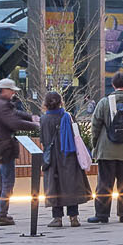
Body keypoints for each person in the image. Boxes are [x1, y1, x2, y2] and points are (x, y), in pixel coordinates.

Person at [88, 70, 123, 224]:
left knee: (104, 183)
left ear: (113, 85)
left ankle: (102, 215)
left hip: (106, 150)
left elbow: (95, 126)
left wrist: (95, 145)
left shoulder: (104, 102)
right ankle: (122, 214)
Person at [0, 78, 37, 227]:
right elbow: (14, 122)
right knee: (8, 182)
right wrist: (35, 125)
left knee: (1, 180)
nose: (13, 93)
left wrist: (30, 117)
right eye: (12, 90)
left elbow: (15, 113)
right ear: (4, 90)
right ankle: (2, 215)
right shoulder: (1, 105)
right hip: (5, 147)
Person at [40, 89, 90, 227]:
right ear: (61, 102)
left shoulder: (44, 119)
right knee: (71, 186)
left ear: (45, 104)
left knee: (54, 187)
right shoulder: (69, 117)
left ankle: (57, 218)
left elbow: (43, 140)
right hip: (70, 156)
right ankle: (74, 217)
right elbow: (77, 135)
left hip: (53, 159)